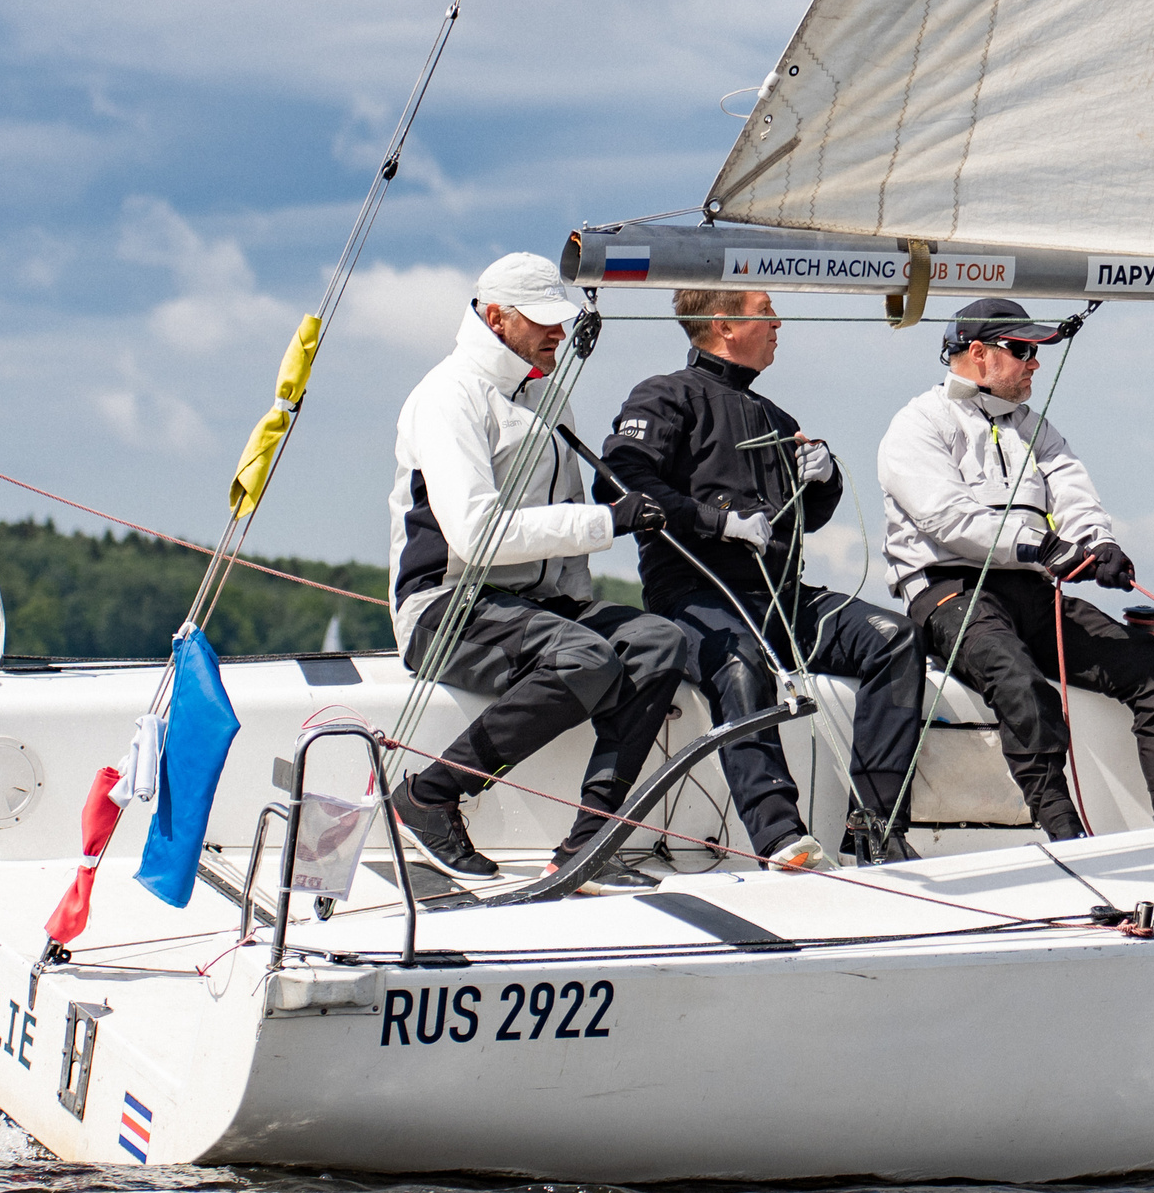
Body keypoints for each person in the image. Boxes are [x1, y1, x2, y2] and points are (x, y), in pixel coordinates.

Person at [385, 253, 683, 893]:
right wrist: (608, 523)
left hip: (535, 610)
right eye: (543, 321)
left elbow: (566, 524)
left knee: (659, 643)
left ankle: (589, 844)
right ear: (495, 317)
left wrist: (585, 591)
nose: (559, 333)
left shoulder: (550, 398)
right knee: (585, 659)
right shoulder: (447, 397)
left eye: (561, 319)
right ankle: (429, 796)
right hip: (444, 609)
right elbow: (476, 534)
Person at [603, 288, 925, 869]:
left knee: (894, 637)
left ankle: (876, 829)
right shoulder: (663, 396)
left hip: (782, 599)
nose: (779, 323)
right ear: (724, 324)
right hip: (698, 596)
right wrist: (716, 522)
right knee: (739, 660)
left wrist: (821, 481)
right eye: (766, 312)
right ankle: (780, 837)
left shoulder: (778, 419)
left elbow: (807, 518)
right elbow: (621, 480)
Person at [878, 298, 1154, 840]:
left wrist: (1099, 544)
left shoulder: (1038, 428)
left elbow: (1074, 495)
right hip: (950, 592)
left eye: (1037, 352)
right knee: (1021, 685)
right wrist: (1044, 548)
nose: (1034, 364)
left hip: (1030, 593)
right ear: (978, 353)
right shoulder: (918, 423)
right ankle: (1067, 840)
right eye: (1024, 350)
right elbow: (946, 518)